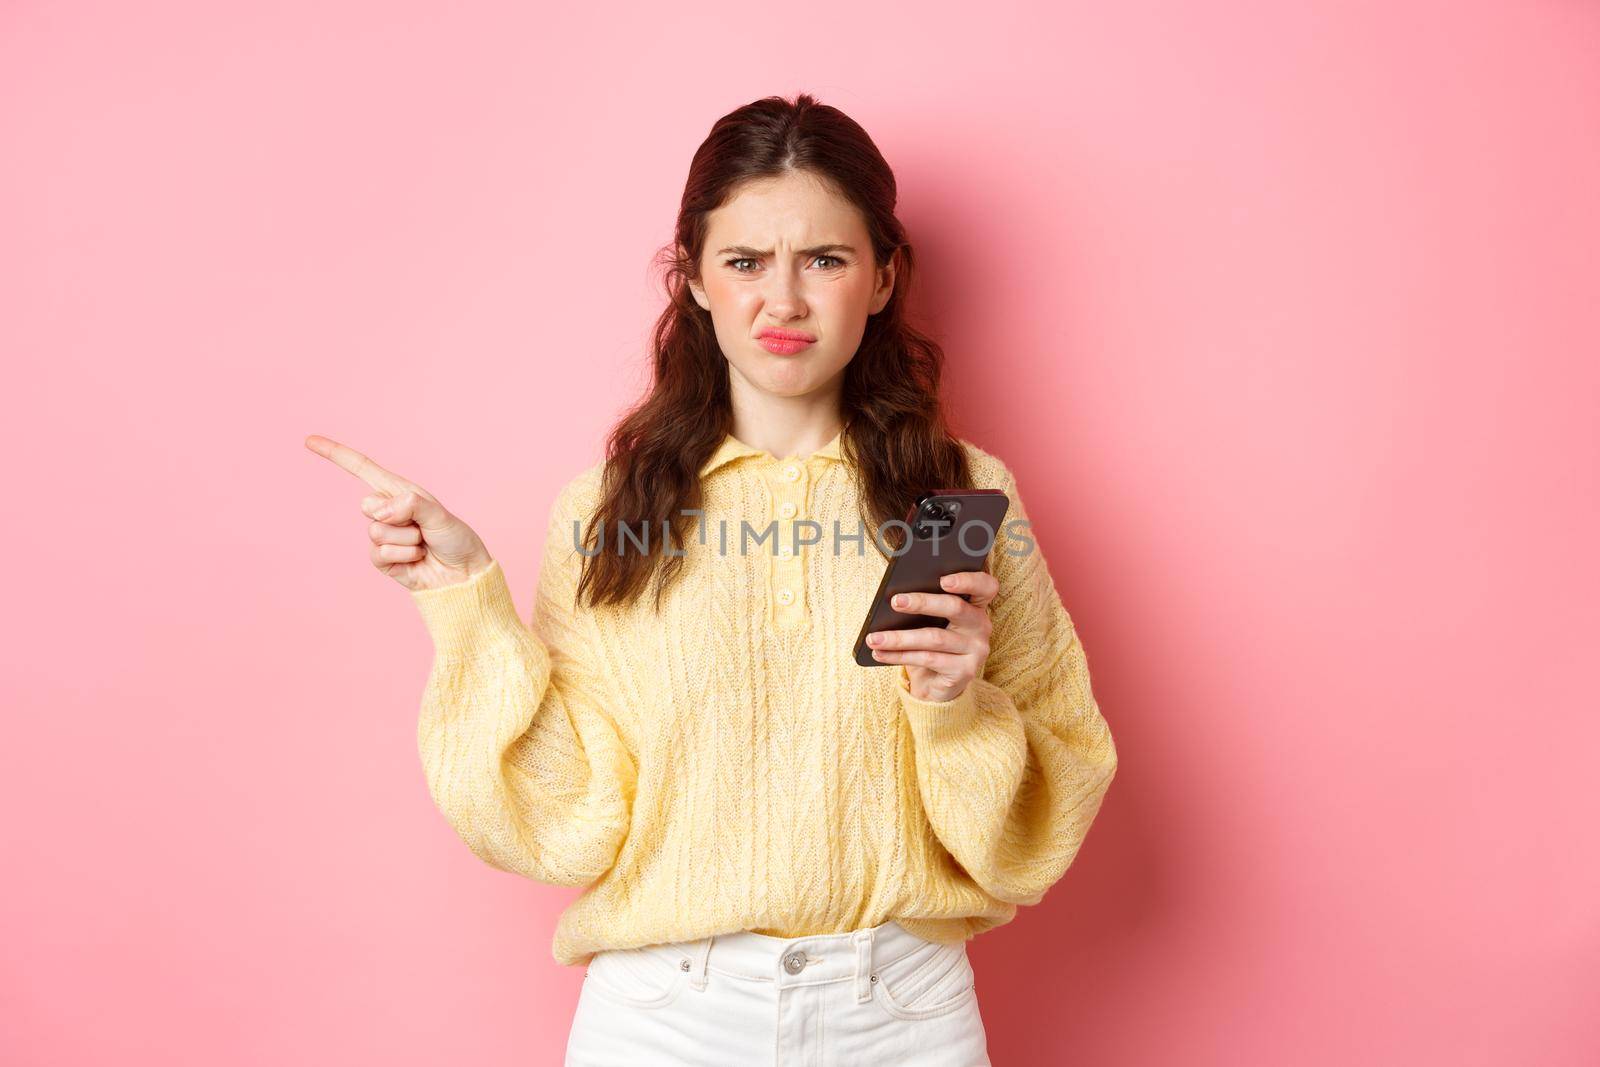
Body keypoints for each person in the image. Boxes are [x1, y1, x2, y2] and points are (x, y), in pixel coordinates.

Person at [306, 92, 1118, 1066]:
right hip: (661, 1019)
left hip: (899, 1016)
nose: (783, 300)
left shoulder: (962, 496)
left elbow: (1045, 806)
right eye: (744, 262)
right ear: (691, 277)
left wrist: (956, 703)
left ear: (881, 276)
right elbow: (567, 815)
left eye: (824, 258)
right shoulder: (606, 507)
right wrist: (468, 595)